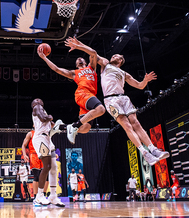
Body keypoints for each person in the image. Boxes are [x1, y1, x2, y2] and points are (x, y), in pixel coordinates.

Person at [62, 37, 169, 166]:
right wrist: (79, 45)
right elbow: (93, 53)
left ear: (120, 60)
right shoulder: (106, 64)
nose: (114, 55)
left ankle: (153, 150)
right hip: (111, 99)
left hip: (124, 98)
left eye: (117, 55)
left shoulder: (124, 73)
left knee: (136, 123)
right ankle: (145, 154)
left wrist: (145, 81)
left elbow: (139, 86)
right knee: (127, 125)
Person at [37, 37, 106, 144]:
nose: (79, 59)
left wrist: (78, 45)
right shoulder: (74, 73)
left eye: (81, 58)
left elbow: (93, 52)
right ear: (76, 64)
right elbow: (56, 69)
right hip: (82, 94)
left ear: (85, 61)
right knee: (101, 109)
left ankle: (62, 126)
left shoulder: (91, 68)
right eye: (77, 60)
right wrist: (44, 58)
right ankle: (73, 126)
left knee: (86, 128)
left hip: (90, 97)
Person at [31, 98, 65, 207]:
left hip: (48, 139)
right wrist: (50, 117)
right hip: (40, 139)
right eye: (36, 100)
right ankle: (39, 196)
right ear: (34, 104)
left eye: (39, 99)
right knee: (47, 166)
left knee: (54, 167)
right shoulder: (37, 108)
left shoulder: (42, 110)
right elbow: (44, 119)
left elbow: (52, 125)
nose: (38, 100)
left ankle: (53, 196)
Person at [21, 128, 49, 199]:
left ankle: (43, 195)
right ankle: (36, 197)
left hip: (43, 153)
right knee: (36, 176)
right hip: (34, 155)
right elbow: (24, 145)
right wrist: (24, 154)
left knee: (46, 176)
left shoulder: (44, 132)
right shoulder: (30, 133)